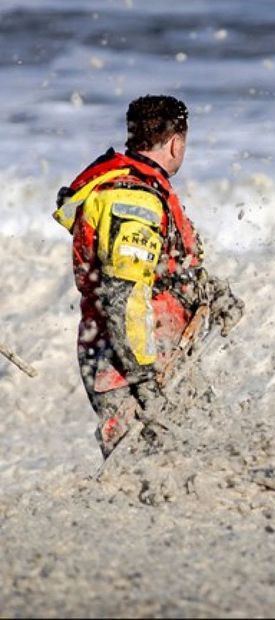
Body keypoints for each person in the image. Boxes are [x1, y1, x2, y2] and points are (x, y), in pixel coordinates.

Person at [54, 95, 244, 457]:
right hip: (130, 364)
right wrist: (145, 381)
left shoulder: (136, 188)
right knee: (142, 465)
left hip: (159, 355)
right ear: (177, 142)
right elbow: (123, 296)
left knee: (206, 451)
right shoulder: (134, 201)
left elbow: (165, 269)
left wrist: (212, 293)